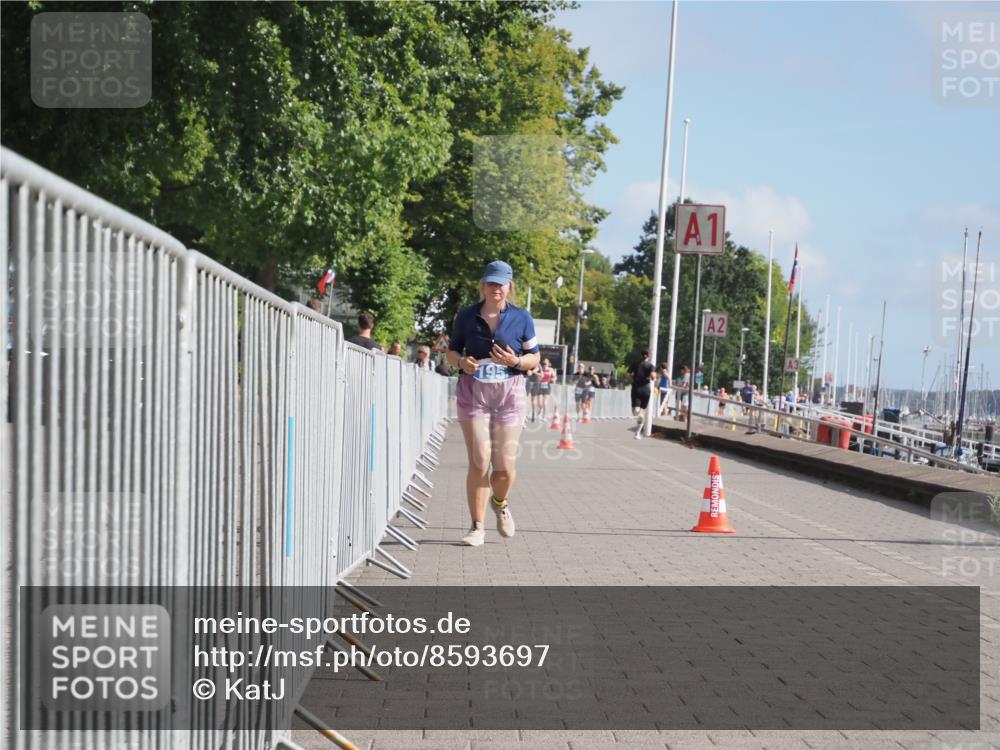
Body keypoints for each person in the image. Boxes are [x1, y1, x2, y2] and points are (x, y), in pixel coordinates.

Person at [447, 260, 540, 547]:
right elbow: (451, 353)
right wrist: (462, 362)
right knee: (479, 461)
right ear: (482, 286)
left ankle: (500, 502)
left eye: (500, 284)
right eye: (490, 282)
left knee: (504, 468)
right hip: (473, 391)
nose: (495, 288)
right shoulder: (466, 316)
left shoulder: (522, 318)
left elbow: (533, 358)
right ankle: (477, 527)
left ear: (510, 287)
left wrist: (515, 361)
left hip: (509, 393)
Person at [628, 349, 656, 439]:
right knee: (642, 412)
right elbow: (653, 377)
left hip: (636, 388)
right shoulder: (651, 366)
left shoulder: (635, 364)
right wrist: (653, 377)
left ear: (641, 355)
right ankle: (637, 433)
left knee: (635, 411)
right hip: (646, 389)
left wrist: (633, 376)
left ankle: (637, 413)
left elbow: (627, 375)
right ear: (649, 356)